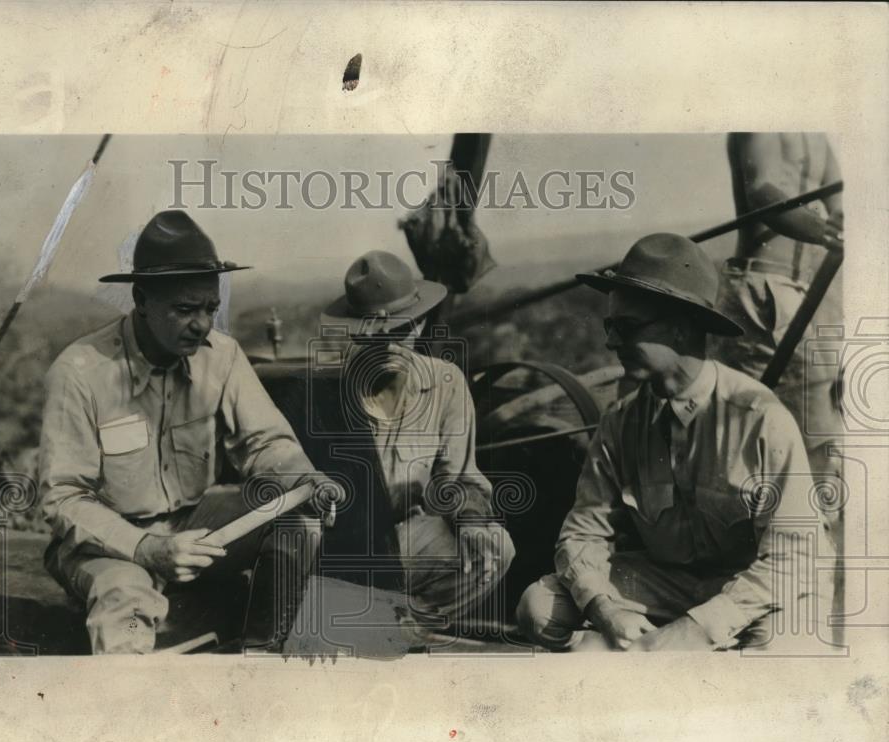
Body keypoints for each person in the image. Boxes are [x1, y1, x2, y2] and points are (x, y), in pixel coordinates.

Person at [39, 210, 344, 654]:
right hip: (107, 545)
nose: (203, 324)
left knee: (298, 519)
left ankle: (260, 656)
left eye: (210, 308)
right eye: (185, 310)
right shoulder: (80, 373)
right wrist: (146, 549)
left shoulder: (222, 356)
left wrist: (305, 480)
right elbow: (63, 497)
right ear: (140, 299)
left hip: (195, 529)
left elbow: (265, 442)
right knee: (125, 600)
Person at [517, 233, 833, 652]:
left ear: (681, 330)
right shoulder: (621, 422)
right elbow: (582, 534)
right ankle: (643, 655)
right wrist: (603, 609)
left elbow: (791, 559)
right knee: (538, 607)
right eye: (611, 326)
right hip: (671, 584)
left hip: (758, 587)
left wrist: (696, 628)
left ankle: (653, 663)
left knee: (783, 647)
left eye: (626, 328)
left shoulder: (760, 418)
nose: (611, 342)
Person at [319, 250, 514, 630]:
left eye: (404, 329)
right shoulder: (329, 392)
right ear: (358, 332)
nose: (393, 344)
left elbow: (459, 479)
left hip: (409, 540)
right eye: (380, 334)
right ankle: (366, 624)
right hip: (344, 547)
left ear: (421, 324)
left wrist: (472, 519)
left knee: (494, 546)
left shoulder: (447, 382)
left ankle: (401, 630)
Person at [711, 133, 844, 483]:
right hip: (759, 291)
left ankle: (817, 524)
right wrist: (825, 231)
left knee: (816, 420)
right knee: (746, 419)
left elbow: (839, 199)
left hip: (807, 290)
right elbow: (762, 190)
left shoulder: (815, 135)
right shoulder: (761, 118)